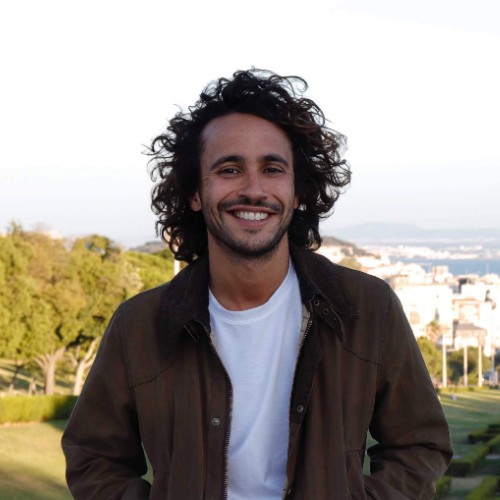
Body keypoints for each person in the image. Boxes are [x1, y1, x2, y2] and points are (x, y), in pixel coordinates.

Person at [62, 69, 452, 499]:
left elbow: (419, 445)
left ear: (297, 190)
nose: (253, 189)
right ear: (195, 193)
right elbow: (93, 457)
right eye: (229, 169)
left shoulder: (366, 308)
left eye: (272, 169)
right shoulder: (140, 325)